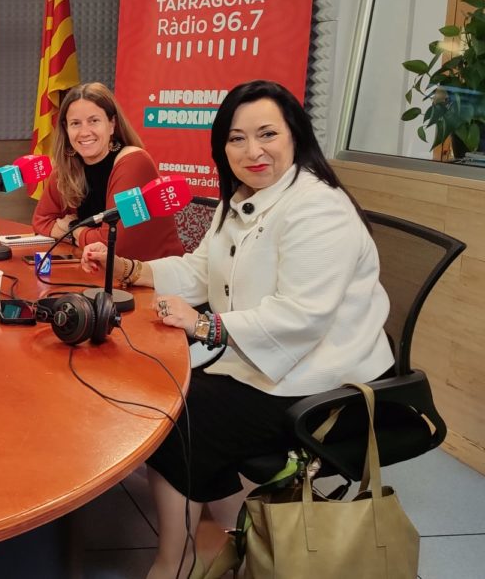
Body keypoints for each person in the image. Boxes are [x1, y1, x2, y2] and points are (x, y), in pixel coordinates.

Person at [80, 80, 394, 579]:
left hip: (328, 381)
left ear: (295, 135)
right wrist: (134, 270)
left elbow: (301, 316)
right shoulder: (243, 200)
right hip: (265, 359)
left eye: (267, 134)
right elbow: (201, 270)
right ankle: (219, 531)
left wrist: (204, 323)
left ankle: (177, 560)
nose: (253, 151)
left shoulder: (319, 208)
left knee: (182, 416)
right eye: (236, 139)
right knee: (161, 390)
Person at [32, 82, 183, 260]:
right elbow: (40, 222)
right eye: (75, 123)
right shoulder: (68, 164)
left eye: (94, 121)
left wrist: (73, 229)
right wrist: (83, 235)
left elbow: (112, 242)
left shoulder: (134, 163)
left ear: (112, 124)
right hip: (100, 270)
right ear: (66, 129)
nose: (84, 132)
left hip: (152, 276)